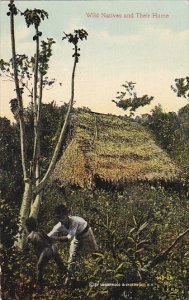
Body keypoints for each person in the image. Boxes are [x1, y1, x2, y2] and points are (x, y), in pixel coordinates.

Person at [48, 204, 99, 283]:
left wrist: (55, 238)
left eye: (63, 217)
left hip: (87, 233)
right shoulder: (58, 226)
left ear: (67, 214)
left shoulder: (74, 221)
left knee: (95, 253)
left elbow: (68, 238)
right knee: (72, 257)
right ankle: (69, 280)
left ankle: (103, 271)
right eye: (59, 218)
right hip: (77, 236)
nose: (62, 220)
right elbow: (49, 235)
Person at [25, 217, 68, 286]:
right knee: (60, 265)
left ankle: (40, 286)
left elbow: (27, 249)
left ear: (28, 227)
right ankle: (69, 277)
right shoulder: (41, 232)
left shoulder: (30, 236)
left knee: (39, 268)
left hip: (46, 250)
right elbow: (49, 240)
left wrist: (25, 253)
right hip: (53, 248)